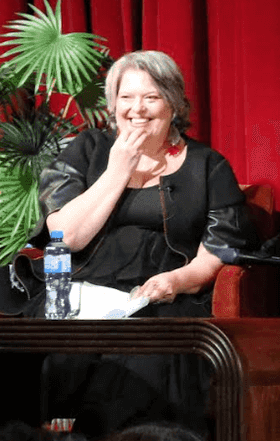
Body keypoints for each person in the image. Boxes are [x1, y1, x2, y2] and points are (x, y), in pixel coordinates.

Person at [34, 50, 258, 438]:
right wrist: (118, 169)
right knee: (57, 349)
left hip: (161, 297)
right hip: (79, 292)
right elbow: (65, 237)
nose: (137, 109)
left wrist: (176, 280)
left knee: (144, 355)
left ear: (173, 104)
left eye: (151, 97)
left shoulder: (207, 165)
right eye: (126, 97)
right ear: (113, 104)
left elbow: (216, 253)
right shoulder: (87, 149)